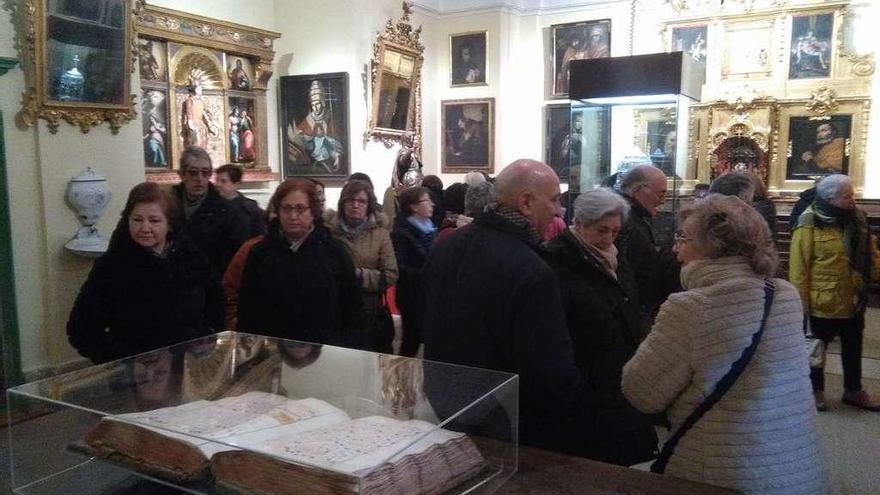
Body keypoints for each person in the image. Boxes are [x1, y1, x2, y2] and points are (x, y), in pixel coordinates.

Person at [622, 194, 829, 493]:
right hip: (795, 465)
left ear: (713, 246)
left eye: (683, 237)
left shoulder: (692, 306)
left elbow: (641, 392)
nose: (675, 248)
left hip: (722, 471)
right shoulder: (784, 294)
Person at [423, 159, 594, 456]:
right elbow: (547, 368)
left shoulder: (447, 245)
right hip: (510, 419)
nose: (557, 210)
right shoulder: (531, 270)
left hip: (447, 404)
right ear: (526, 202)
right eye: (554, 200)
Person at [544, 188, 657, 465]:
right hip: (589, 379)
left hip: (619, 371)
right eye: (601, 231)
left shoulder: (617, 257)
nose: (608, 239)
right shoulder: (560, 261)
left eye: (615, 231)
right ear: (580, 224)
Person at [67, 182, 223, 364]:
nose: (145, 228)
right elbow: (81, 329)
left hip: (185, 367)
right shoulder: (112, 266)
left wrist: (205, 338)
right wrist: (128, 359)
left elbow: (216, 304)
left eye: (154, 220)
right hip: (132, 374)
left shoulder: (192, 260)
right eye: (137, 219)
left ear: (170, 224)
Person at [789, 174, 880, 411]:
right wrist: (800, 304)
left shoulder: (858, 219)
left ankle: (853, 390)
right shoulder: (808, 221)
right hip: (822, 299)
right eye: (846, 195)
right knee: (817, 348)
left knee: (853, 347)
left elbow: (870, 252)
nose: (852, 199)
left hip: (853, 297)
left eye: (852, 194)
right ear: (831, 197)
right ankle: (815, 392)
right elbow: (799, 266)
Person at [237, 179, 362, 347]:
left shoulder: (334, 252)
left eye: (300, 209)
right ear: (278, 211)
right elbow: (248, 310)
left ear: (313, 212)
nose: (293, 216)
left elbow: (352, 308)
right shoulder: (260, 253)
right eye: (287, 208)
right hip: (272, 353)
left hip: (325, 352)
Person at [327, 180, 399, 352]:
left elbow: (390, 274)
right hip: (335, 309)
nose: (355, 205)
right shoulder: (329, 232)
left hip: (368, 310)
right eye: (350, 200)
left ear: (369, 205)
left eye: (361, 201)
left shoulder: (380, 234)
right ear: (342, 203)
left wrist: (359, 275)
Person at [615, 164, 680, 329]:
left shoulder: (632, 216)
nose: (662, 201)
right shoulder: (623, 219)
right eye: (661, 194)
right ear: (639, 191)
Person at [171, 146, 249, 275]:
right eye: (193, 172)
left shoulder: (226, 211)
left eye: (205, 172)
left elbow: (234, 258)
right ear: (182, 175)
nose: (200, 178)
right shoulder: (169, 204)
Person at [391, 186, 436, 356]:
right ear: (414, 206)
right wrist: (428, 273)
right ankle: (402, 378)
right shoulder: (401, 233)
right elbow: (401, 268)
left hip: (427, 292)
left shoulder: (429, 228)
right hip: (411, 294)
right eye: (427, 200)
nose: (432, 204)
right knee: (411, 339)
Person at [215, 164, 266, 237]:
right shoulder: (211, 205)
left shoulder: (251, 209)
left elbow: (258, 237)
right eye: (217, 180)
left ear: (236, 185)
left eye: (223, 181)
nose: (217, 184)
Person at [180, 80, 218, 149]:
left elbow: (206, 111)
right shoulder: (190, 100)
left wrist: (211, 118)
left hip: (202, 126)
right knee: (195, 144)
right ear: (195, 89)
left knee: (203, 145)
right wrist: (191, 124)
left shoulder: (201, 101)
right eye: (199, 89)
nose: (201, 90)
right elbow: (189, 113)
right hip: (194, 125)